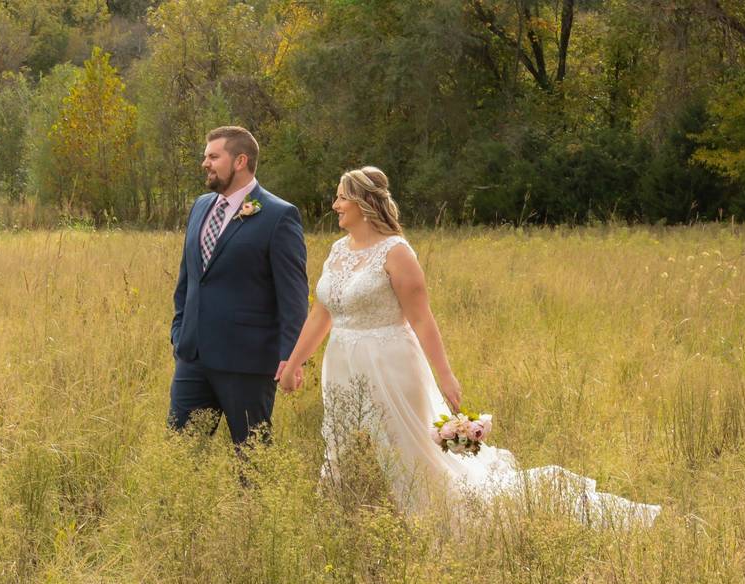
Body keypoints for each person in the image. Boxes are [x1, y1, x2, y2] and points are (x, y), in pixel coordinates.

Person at [279, 166, 660, 525]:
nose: (334, 205)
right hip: (342, 365)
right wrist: (295, 362)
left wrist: (446, 378)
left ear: (364, 204)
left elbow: (422, 319)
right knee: (342, 443)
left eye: (341, 197)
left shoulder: (396, 252)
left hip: (390, 365)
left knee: (408, 452)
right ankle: (345, 516)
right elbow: (322, 314)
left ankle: (429, 520)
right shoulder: (337, 251)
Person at [170, 126, 309, 444]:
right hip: (192, 358)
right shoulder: (200, 207)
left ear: (240, 161)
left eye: (213, 156)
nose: (205, 163)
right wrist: (179, 332)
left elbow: (294, 295)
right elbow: (188, 278)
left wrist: (292, 355)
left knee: (252, 459)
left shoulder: (278, 215)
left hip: (247, 362)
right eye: (205, 156)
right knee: (179, 453)